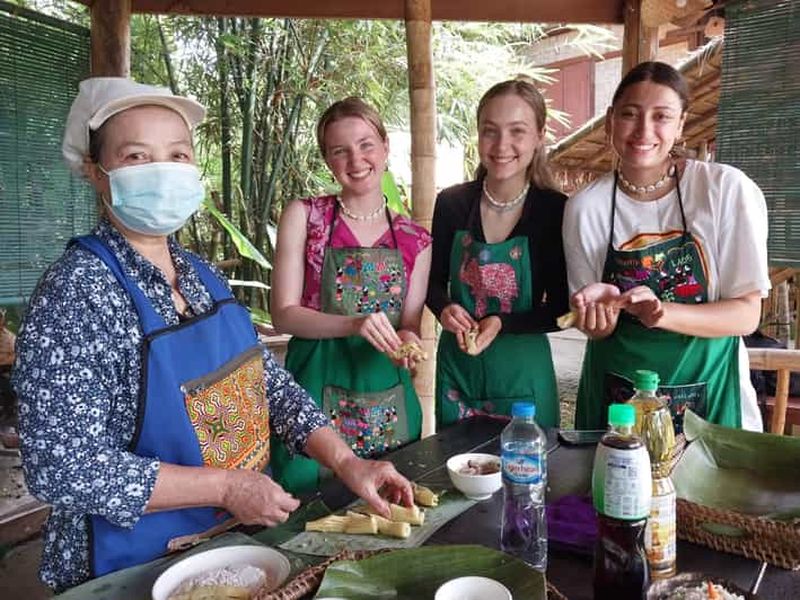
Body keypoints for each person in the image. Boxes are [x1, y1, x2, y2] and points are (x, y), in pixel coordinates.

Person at [12, 78, 412, 592]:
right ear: (96, 172)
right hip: (127, 565)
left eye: (178, 155)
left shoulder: (202, 275)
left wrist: (347, 460)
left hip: (224, 547)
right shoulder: (76, 292)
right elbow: (63, 466)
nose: (163, 170)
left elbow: (269, 385)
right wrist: (226, 485)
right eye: (138, 156)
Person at [563, 61, 770, 432]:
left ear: (681, 125)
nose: (644, 130)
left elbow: (745, 315)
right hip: (618, 398)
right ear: (610, 120)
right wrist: (596, 317)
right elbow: (593, 329)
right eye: (630, 114)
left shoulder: (724, 191)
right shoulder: (585, 207)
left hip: (712, 394)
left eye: (661, 116)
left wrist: (661, 313)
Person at [271, 97, 432, 494]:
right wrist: (354, 324)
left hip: (389, 403)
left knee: (389, 514)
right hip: (312, 397)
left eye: (365, 145)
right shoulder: (306, 217)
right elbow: (284, 315)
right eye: (339, 150)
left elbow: (409, 326)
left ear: (385, 147)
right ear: (327, 159)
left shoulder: (415, 239)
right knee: (307, 515)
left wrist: (408, 343)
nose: (355, 159)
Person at [426, 78, 569, 429]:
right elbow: (430, 283)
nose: (502, 144)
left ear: (539, 136)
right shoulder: (452, 203)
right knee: (455, 472)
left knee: (527, 476)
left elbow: (563, 308)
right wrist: (445, 309)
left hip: (524, 374)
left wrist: (502, 322)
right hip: (459, 371)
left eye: (517, 131)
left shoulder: (555, 210)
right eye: (490, 131)